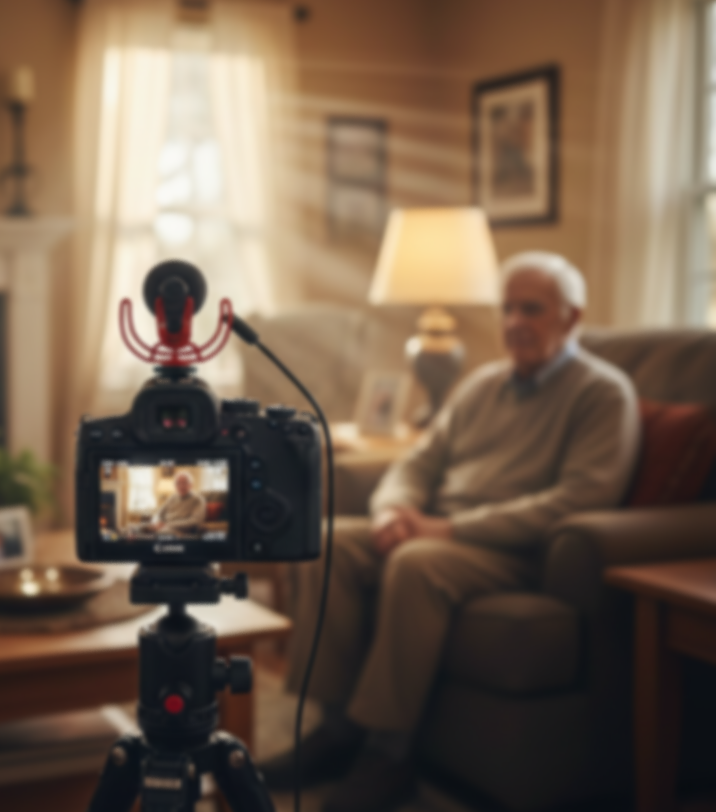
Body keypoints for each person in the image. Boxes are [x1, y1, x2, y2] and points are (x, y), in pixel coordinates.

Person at [258, 251, 640, 812]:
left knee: (417, 564)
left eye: (531, 309)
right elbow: (417, 463)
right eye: (508, 308)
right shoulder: (483, 384)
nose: (514, 323)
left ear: (571, 318)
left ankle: (388, 756)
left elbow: (579, 499)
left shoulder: (603, 394)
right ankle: (335, 729)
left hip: (516, 549)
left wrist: (446, 529)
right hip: (442, 529)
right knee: (328, 542)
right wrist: (394, 510)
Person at [152, 471, 207, 535]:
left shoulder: (198, 499)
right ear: (175, 486)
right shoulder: (172, 498)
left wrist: (168, 525)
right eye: (178, 483)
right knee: (139, 529)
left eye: (184, 482)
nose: (181, 486)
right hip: (165, 527)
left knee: (161, 533)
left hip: (180, 530)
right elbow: (159, 513)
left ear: (191, 485)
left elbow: (195, 521)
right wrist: (157, 522)